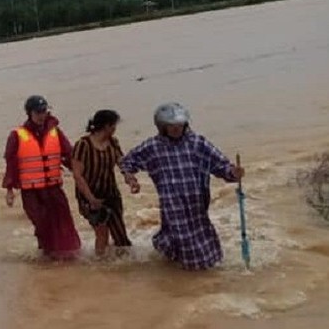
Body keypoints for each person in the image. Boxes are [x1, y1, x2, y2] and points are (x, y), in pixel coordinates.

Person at [119, 102, 244, 270]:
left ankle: (175, 262)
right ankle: (193, 283)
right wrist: (130, 178)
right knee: (188, 248)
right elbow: (127, 161)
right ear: (162, 127)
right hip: (172, 204)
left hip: (198, 204)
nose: (176, 129)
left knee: (208, 247)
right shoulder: (153, 146)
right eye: (171, 126)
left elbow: (221, 166)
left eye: (179, 125)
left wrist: (234, 173)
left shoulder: (198, 143)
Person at [2, 95, 81, 259]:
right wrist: (9, 190)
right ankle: (48, 257)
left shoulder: (55, 132)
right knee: (42, 225)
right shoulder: (17, 135)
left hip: (53, 188)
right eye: (38, 112)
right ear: (29, 113)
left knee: (64, 222)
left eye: (44, 111)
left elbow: (69, 155)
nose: (42, 115)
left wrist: (81, 174)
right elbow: (11, 163)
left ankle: (72, 255)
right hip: (32, 193)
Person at [71, 110, 132, 256]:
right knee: (102, 232)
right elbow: (77, 175)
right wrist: (91, 198)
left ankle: (122, 268)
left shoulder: (113, 142)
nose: (114, 129)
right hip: (89, 196)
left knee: (121, 236)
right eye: (113, 126)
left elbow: (122, 163)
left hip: (111, 194)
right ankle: (100, 266)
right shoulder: (83, 145)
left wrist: (130, 179)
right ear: (106, 126)